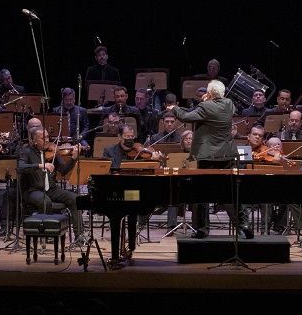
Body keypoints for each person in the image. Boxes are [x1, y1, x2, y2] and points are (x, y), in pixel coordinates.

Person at [170, 79, 252, 239]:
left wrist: (174, 109)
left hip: (208, 155)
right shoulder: (229, 104)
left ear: (209, 93)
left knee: (202, 192)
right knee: (231, 191)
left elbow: (186, 117)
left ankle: (202, 229)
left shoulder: (205, 106)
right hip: (228, 154)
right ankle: (243, 225)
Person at [17, 125, 86, 247]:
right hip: (33, 190)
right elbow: (20, 168)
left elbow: (63, 171)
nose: (47, 140)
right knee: (45, 202)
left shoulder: (54, 152)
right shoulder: (26, 152)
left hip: (52, 189)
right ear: (33, 141)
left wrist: (73, 159)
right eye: (43, 138)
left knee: (76, 199)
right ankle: (47, 234)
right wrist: (40, 165)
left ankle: (79, 236)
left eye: (48, 137)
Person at [102, 124, 163, 261]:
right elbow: (107, 173)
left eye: (132, 136)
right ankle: (117, 251)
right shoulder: (109, 151)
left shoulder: (140, 153)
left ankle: (130, 247)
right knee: (122, 210)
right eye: (126, 137)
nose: (130, 139)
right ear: (119, 137)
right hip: (115, 192)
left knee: (134, 205)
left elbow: (149, 172)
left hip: (135, 191)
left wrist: (154, 160)